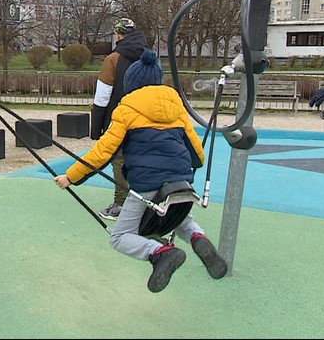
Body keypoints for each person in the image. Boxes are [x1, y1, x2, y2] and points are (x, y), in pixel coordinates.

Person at [54, 49, 227, 293]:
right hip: (181, 182)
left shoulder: (126, 110)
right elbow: (197, 152)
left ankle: (160, 252)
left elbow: (102, 152)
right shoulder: (176, 108)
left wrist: (69, 177)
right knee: (181, 219)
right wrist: (188, 170)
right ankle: (200, 239)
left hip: (147, 185)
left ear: (131, 85)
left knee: (119, 237)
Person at [90, 17, 147, 221]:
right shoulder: (149, 57)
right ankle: (145, 202)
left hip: (122, 117)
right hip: (147, 116)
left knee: (120, 160)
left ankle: (121, 204)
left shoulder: (113, 59)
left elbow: (103, 96)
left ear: (118, 35)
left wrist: (96, 128)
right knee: (143, 159)